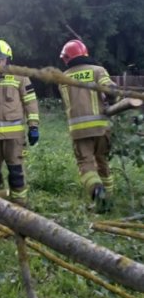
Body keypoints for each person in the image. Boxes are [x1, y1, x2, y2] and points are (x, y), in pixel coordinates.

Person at [0, 39, 39, 207]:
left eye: (1, 59)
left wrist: (33, 126)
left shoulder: (20, 76)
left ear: (7, 58)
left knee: (16, 172)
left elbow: (30, 101)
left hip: (14, 136)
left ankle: (20, 208)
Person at [58, 39, 117, 212]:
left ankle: (97, 192)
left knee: (86, 164)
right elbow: (111, 90)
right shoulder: (98, 71)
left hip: (78, 130)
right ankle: (108, 201)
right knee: (102, 161)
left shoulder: (62, 78)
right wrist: (113, 102)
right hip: (101, 127)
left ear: (67, 58)